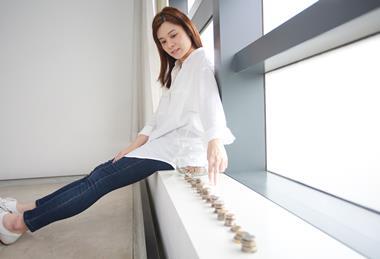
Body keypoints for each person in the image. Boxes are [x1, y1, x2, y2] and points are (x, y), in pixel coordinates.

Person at [0, 6, 235, 245]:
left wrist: (214, 140)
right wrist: (132, 147)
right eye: (163, 41)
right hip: (162, 146)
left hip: (177, 152)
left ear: (188, 29)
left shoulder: (199, 60)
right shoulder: (178, 68)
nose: (170, 45)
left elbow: (210, 101)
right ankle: (24, 208)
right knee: (97, 174)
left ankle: (16, 225)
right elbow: (158, 119)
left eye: (173, 35)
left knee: (99, 181)